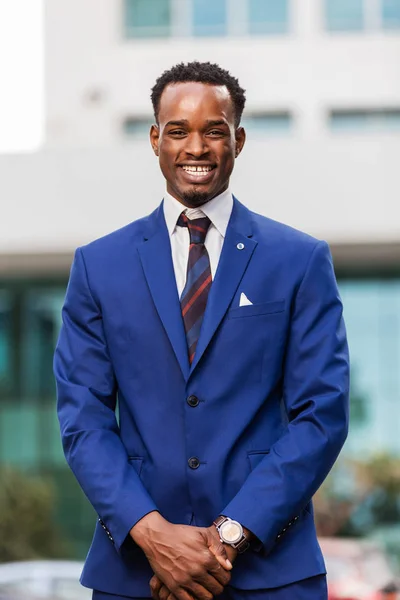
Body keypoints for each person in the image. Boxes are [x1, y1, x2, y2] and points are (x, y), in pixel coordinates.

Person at [54, 61, 349, 600]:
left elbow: (320, 416)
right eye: (178, 131)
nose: (197, 148)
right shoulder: (98, 266)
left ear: (237, 139)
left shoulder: (299, 261)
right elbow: (83, 420)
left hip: (269, 573)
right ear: (154, 139)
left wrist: (227, 538)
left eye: (214, 131)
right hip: (136, 575)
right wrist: (153, 535)